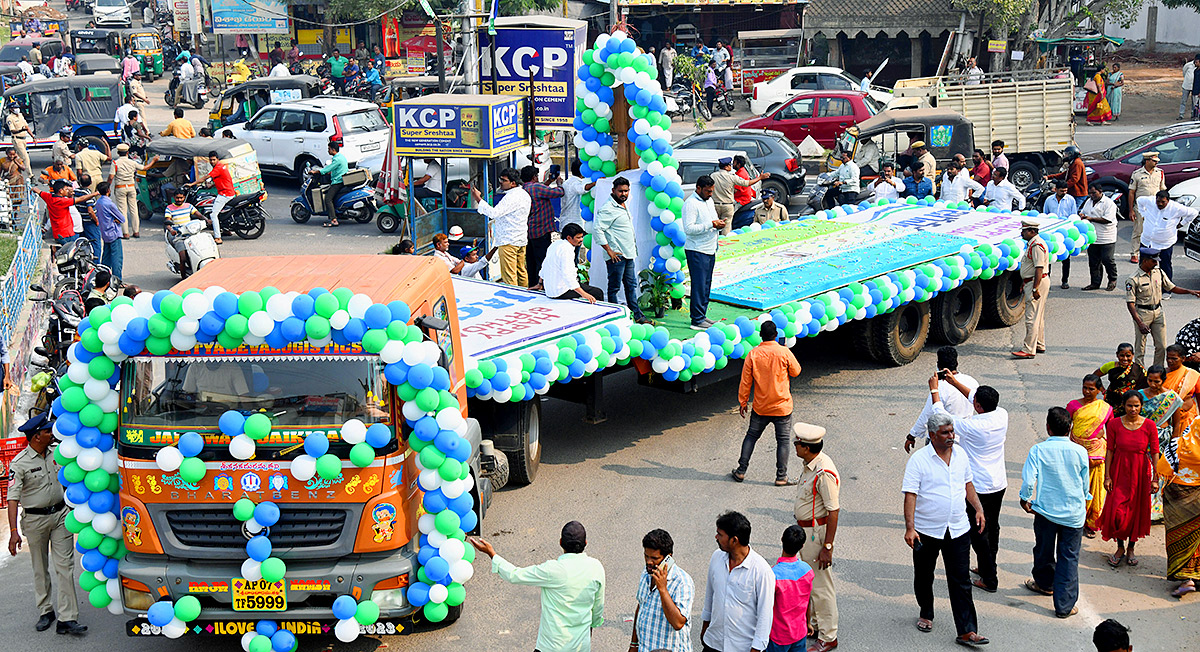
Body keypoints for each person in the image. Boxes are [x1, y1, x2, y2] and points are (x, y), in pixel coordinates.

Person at [903, 412, 988, 647]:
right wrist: (910, 528)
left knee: (960, 580)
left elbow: (968, 484)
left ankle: (967, 631)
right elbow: (910, 495)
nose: (951, 436)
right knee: (923, 575)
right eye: (945, 433)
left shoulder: (961, 455)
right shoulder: (919, 460)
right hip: (926, 530)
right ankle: (926, 613)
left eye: (952, 431)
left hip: (958, 529)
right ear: (932, 435)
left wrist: (978, 509)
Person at [5, 411, 88, 635]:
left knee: (65, 567)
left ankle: (67, 618)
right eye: (46, 431)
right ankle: (45, 611)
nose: (51, 434)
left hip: (61, 516)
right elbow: (12, 498)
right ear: (35, 437)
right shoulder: (19, 463)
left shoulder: (57, 454)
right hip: (34, 520)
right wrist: (14, 532)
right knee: (40, 568)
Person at [468, 522, 605, 652]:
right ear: (585, 543)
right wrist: (590, 627)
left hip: (552, 646)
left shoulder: (553, 570)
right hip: (581, 646)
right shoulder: (596, 567)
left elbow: (515, 575)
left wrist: (492, 554)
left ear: (560, 543)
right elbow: (598, 607)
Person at [928, 376, 1008, 595]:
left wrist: (935, 390)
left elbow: (940, 417)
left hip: (978, 487)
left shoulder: (971, 425)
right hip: (998, 483)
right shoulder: (1002, 415)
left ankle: (989, 578)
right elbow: (975, 396)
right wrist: (954, 382)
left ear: (978, 407)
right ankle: (987, 567)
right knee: (993, 526)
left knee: (979, 532)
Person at [1019, 407, 1090, 618]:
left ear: (1048, 427)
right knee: (1069, 557)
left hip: (1046, 511)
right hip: (1073, 514)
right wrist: (1085, 499)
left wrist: (1025, 498)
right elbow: (1084, 484)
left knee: (1043, 550)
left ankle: (1044, 583)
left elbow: (1029, 480)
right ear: (1071, 427)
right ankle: (1064, 606)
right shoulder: (1080, 451)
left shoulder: (1038, 450)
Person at [733, 320, 802, 485]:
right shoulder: (783, 352)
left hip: (761, 407)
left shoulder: (753, 354)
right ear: (776, 335)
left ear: (760, 336)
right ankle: (781, 476)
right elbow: (796, 371)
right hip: (782, 407)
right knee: (783, 441)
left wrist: (743, 402)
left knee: (751, 436)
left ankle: (741, 471)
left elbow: (745, 382)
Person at [791, 423, 840, 652]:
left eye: (798, 443)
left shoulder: (823, 473)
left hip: (816, 534)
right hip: (807, 531)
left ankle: (829, 636)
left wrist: (827, 546)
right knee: (812, 583)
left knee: (821, 586)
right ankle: (816, 625)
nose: (795, 446)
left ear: (807, 448)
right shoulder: (811, 463)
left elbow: (833, 511)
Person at [1099, 390, 1159, 568]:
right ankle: (1120, 547)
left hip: (1140, 473)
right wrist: (1107, 476)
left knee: (1135, 512)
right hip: (1119, 471)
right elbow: (1110, 450)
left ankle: (1131, 548)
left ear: (1141, 406)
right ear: (1123, 406)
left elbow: (1154, 453)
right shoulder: (1115, 424)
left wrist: (1155, 478)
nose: (1133, 409)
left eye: (1136, 406)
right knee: (1117, 512)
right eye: (1129, 405)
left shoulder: (1149, 426)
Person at [700, 511, 774, 652]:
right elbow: (710, 596)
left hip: (743, 648)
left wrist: (756, 649)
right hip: (713, 643)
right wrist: (705, 630)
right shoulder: (716, 558)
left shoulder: (761, 571)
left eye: (720, 535)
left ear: (734, 540)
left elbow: (765, 616)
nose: (716, 537)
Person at [1127, 248, 1200, 367]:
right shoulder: (1133, 279)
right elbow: (1130, 303)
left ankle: (1157, 372)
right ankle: (1140, 372)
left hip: (1158, 312)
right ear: (1145, 261)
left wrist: (1190, 291)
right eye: (1153, 261)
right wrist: (1139, 322)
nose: (1156, 263)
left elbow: (1171, 287)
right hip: (1142, 313)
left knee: (1161, 345)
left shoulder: (1158, 272)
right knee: (1141, 347)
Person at [593, 177, 648, 323]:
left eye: (626, 191)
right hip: (616, 256)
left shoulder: (623, 204)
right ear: (613, 191)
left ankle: (637, 315)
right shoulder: (608, 208)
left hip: (628, 254)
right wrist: (609, 251)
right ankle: (614, 318)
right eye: (620, 191)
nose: (623, 194)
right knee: (614, 288)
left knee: (631, 286)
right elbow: (598, 229)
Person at [629, 529, 693, 652]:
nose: (649, 562)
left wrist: (663, 589)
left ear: (668, 558)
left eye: (654, 558)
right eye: (646, 556)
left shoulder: (682, 582)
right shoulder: (647, 572)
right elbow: (641, 606)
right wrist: (634, 644)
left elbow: (678, 623)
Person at [1068, 374, 1112, 538]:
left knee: (1095, 489)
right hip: (1076, 450)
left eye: (1091, 388)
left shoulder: (1106, 408)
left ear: (1099, 390)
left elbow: (1111, 430)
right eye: (1084, 387)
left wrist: (1102, 436)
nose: (1087, 391)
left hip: (1097, 453)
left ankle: (1092, 523)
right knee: (1076, 487)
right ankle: (1075, 520)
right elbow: (1066, 426)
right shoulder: (1073, 405)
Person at [471, 168, 530, 287]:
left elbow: (494, 213)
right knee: (521, 272)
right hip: (520, 238)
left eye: (504, 180)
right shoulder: (523, 194)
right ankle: (525, 294)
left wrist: (478, 199)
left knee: (510, 275)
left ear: (513, 183)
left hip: (509, 240)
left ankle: (514, 299)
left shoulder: (512, 197)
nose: (501, 182)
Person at [1143, 364, 1184, 521]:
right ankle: (1143, 507)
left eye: (1157, 382)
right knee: (1145, 471)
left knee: (1159, 472)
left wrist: (1175, 442)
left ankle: (1156, 510)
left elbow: (1177, 423)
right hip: (1144, 438)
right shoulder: (1140, 396)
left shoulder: (1172, 398)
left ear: (1163, 381)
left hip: (1163, 439)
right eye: (1150, 381)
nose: (1153, 385)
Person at [682, 175, 722, 330]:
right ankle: (697, 320)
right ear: (698, 188)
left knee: (706, 285)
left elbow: (712, 219)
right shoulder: (690, 204)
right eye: (707, 191)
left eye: (711, 191)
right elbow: (689, 229)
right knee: (699, 285)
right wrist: (710, 224)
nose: (710, 194)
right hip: (697, 250)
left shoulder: (708, 201)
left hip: (709, 248)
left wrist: (717, 224)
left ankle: (702, 316)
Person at [769, 526, 814, 652]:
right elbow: (807, 600)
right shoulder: (807, 571)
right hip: (799, 632)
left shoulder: (773, 575)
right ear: (802, 546)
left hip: (778, 636)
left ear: (782, 539)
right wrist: (808, 622)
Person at [1140, 190, 1198, 281]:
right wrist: (1143, 214)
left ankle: (1166, 290)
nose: (1160, 204)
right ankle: (1144, 287)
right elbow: (1139, 200)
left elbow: (1194, 213)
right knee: (1143, 265)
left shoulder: (1176, 208)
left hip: (1165, 244)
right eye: (1158, 201)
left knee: (1165, 266)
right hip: (1147, 241)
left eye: (1163, 202)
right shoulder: (1150, 201)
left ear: (1168, 201)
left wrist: (1182, 223)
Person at [1011, 219, 1048, 359]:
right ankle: (1039, 344)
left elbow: (1039, 268)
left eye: (1024, 230)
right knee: (1038, 315)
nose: (1022, 232)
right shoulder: (1033, 243)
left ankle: (1028, 349)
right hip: (1033, 281)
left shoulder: (1037, 245)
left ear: (1032, 231)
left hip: (1036, 282)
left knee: (1031, 316)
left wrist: (1034, 288)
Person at [521, 166, 564, 287]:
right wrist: (559, 184)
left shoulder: (524, 189)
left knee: (531, 261)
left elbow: (541, 190)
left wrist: (549, 182)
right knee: (543, 261)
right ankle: (543, 285)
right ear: (534, 177)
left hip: (529, 231)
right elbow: (559, 193)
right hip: (541, 230)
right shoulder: (537, 187)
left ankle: (533, 284)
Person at [537, 224, 599, 302]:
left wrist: (540, 283)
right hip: (561, 291)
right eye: (578, 237)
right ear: (569, 238)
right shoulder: (567, 250)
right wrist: (584, 294)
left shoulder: (555, 244)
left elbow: (545, 265)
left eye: (581, 237)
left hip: (550, 290)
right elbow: (568, 275)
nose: (581, 240)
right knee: (597, 293)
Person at [1078, 185, 1119, 291]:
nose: (1091, 195)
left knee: (1107, 259)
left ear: (1100, 191)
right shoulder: (1089, 201)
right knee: (1094, 262)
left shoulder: (1109, 203)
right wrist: (1082, 214)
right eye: (1090, 193)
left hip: (1107, 237)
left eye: (1093, 193)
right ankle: (1095, 283)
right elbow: (1084, 212)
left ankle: (1112, 279)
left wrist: (1091, 218)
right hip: (1092, 237)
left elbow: (1107, 219)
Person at [1127, 152, 1166, 264]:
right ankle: (1134, 253)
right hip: (1141, 208)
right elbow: (1131, 192)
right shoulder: (1137, 174)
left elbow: (1162, 189)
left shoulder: (1160, 173)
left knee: (1154, 231)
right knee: (1138, 230)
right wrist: (1131, 210)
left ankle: (1151, 252)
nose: (1156, 163)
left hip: (1155, 207)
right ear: (1147, 161)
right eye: (1154, 161)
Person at [712, 157, 766, 233]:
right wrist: (760, 178)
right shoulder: (732, 177)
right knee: (726, 227)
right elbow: (747, 183)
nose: (731, 166)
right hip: (728, 206)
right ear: (726, 167)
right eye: (730, 164)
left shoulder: (713, 176)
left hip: (716, 205)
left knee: (715, 226)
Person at [39, 179, 96, 245]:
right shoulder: (63, 201)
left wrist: (33, 189)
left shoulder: (49, 197)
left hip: (58, 235)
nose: (67, 191)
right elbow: (81, 199)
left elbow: (39, 191)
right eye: (66, 189)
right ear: (60, 191)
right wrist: (95, 193)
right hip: (67, 235)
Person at [1096, 343, 1149, 408]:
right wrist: (1102, 390)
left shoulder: (1138, 369)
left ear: (1133, 355)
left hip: (1131, 403)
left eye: (1128, 356)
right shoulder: (1110, 366)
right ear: (1117, 355)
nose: (1125, 359)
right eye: (1122, 355)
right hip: (1111, 401)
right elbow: (1095, 376)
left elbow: (1146, 384)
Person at [313, 141, 347, 229]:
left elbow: (329, 167)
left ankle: (334, 220)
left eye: (329, 149)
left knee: (328, 199)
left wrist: (317, 171)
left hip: (338, 181)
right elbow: (334, 168)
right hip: (341, 179)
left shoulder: (336, 159)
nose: (328, 151)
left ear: (333, 149)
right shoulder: (341, 157)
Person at [93, 181, 123, 278]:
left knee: (106, 257)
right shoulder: (109, 204)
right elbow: (122, 218)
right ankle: (117, 278)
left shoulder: (98, 202)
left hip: (105, 233)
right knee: (116, 258)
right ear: (108, 191)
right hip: (113, 233)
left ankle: (103, 276)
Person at [559, 160, 594, 230]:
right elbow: (582, 189)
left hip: (565, 220)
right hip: (574, 222)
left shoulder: (567, 182)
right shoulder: (575, 183)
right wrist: (595, 183)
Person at [7, 104, 32, 178]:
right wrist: (21, 129)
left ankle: (13, 170)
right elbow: (13, 130)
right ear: (11, 109)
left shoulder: (20, 115)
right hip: (17, 139)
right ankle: (31, 176)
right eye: (15, 108)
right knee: (26, 157)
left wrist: (33, 137)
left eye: (17, 107)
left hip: (24, 139)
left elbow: (26, 127)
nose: (17, 109)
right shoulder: (10, 118)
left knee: (19, 157)